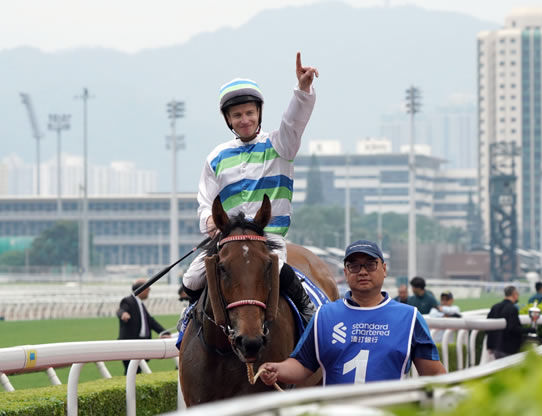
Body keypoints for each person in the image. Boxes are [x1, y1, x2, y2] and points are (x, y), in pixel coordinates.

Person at [181, 52, 319, 324]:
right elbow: (205, 201)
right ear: (228, 120)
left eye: (249, 113)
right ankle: (189, 319)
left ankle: (307, 310)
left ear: (259, 114)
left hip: (268, 239)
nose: (244, 119)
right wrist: (209, 220)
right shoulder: (216, 157)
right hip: (229, 240)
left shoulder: (280, 145)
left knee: (275, 268)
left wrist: (302, 90)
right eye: (237, 115)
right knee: (191, 279)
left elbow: (294, 121)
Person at [257, 240, 446, 387]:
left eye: (370, 265)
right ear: (346, 272)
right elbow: (302, 365)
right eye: (354, 266)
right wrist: (277, 369)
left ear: (384, 269)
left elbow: (435, 375)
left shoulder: (410, 318)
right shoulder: (325, 315)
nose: (362, 272)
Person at [117, 279, 171, 374]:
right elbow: (121, 310)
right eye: (148, 289)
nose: (149, 291)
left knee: (136, 372)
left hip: (140, 343)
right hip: (130, 344)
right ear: (142, 289)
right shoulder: (128, 301)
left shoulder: (140, 304)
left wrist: (165, 332)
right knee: (132, 372)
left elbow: (151, 322)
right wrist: (123, 314)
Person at [486, 286, 536, 359]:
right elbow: (513, 328)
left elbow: (488, 327)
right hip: (508, 348)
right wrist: (531, 329)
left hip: (495, 348)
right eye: (517, 294)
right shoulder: (512, 308)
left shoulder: (495, 307)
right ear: (514, 294)